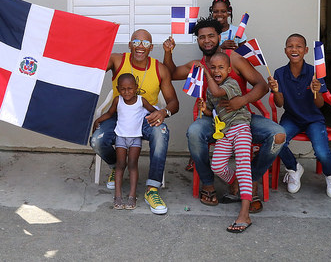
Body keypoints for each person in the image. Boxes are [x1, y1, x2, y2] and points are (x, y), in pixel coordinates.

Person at [163, 17, 285, 212]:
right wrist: (168, 53)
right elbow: (171, 73)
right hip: (213, 118)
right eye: (202, 37)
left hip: (241, 118)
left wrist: (242, 100)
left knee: (278, 135)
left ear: (219, 37)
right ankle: (209, 184)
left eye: (211, 35)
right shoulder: (198, 65)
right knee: (194, 132)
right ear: (198, 41)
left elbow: (261, 85)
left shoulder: (234, 58)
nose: (207, 40)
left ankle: (250, 180)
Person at [91, 29, 179, 215]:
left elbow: (174, 102)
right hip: (119, 116)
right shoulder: (117, 60)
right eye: (136, 42)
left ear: (151, 48)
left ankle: (152, 189)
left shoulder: (159, 69)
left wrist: (164, 111)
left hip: (145, 117)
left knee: (161, 132)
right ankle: (117, 165)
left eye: (145, 43)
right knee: (97, 139)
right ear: (130, 44)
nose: (141, 46)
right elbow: (92, 68)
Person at [268, 34, 331, 199]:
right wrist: (275, 91)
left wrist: (316, 91)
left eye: (299, 46)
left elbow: (320, 105)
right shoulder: (279, 73)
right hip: (291, 118)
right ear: (285, 51)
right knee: (277, 141)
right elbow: (279, 104)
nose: (294, 49)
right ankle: (294, 168)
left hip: (313, 120)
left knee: (322, 152)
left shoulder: (315, 72)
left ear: (306, 50)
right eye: (290, 46)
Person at [198, 52, 252, 232]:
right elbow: (213, 110)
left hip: (240, 127)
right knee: (217, 165)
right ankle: (236, 183)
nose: (216, 71)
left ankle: (245, 214)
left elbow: (217, 92)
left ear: (229, 70)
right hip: (225, 131)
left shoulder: (231, 84)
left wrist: (205, 74)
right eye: (212, 67)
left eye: (221, 67)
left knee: (244, 166)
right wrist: (205, 109)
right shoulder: (210, 89)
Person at [92, 73, 157, 210]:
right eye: (123, 89)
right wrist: (98, 120)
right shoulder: (118, 100)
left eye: (130, 88)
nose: (127, 92)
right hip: (121, 137)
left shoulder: (141, 100)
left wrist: (161, 114)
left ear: (136, 88)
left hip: (135, 138)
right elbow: (110, 114)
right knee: (120, 165)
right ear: (118, 88)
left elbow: (153, 111)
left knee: (133, 164)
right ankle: (118, 196)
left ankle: (132, 196)